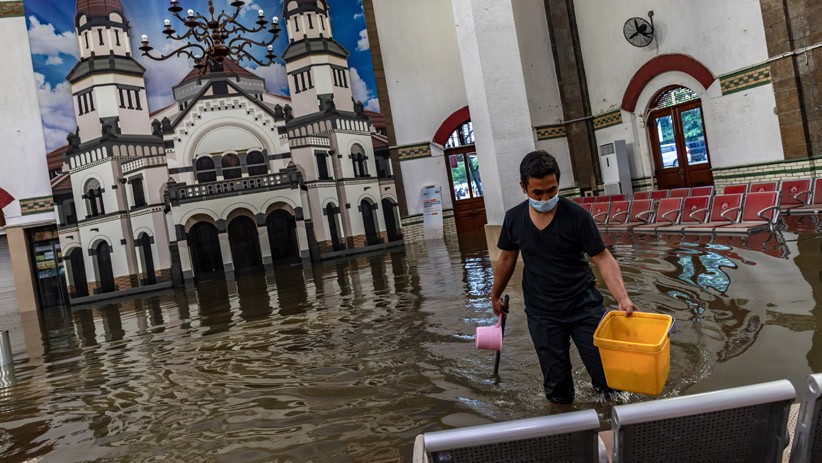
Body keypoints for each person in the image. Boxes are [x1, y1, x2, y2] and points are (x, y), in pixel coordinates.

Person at [490, 150, 640, 404]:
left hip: (584, 307)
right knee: (557, 388)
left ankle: (613, 424)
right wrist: (494, 294)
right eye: (538, 193)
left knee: (608, 380)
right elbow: (507, 258)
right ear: (523, 188)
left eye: (552, 190)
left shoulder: (576, 216)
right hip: (542, 313)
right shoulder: (514, 218)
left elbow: (602, 257)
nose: (546, 197)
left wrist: (623, 299)